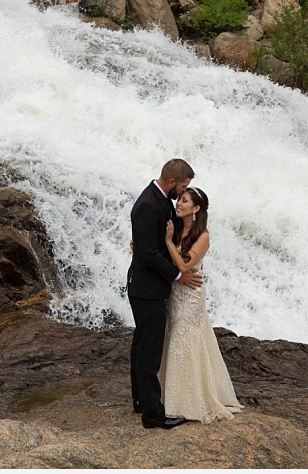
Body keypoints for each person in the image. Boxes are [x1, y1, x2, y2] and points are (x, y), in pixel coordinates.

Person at [127, 159, 203, 430]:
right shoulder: (149, 204)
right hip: (147, 288)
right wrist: (179, 275)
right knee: (149, 351)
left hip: (146, 286)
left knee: (142, 345)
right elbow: (148, 254)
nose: (183, 192)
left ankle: (140, 401)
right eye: (183, 187)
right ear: (172, 183)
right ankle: (153, 415)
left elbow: (150, 242)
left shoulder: (160, 200)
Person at [160, 186, 242, 423]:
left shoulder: (203, 236)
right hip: (176, 292)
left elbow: (185, 265)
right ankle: (172, 395)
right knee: (175, 338)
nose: (179, 203)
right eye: (180, 200)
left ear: (196, 209)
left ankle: (186, 402)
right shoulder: (175, 228)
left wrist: (167, 242)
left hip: (191, 294)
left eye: (184, 201)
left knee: (183, 339)